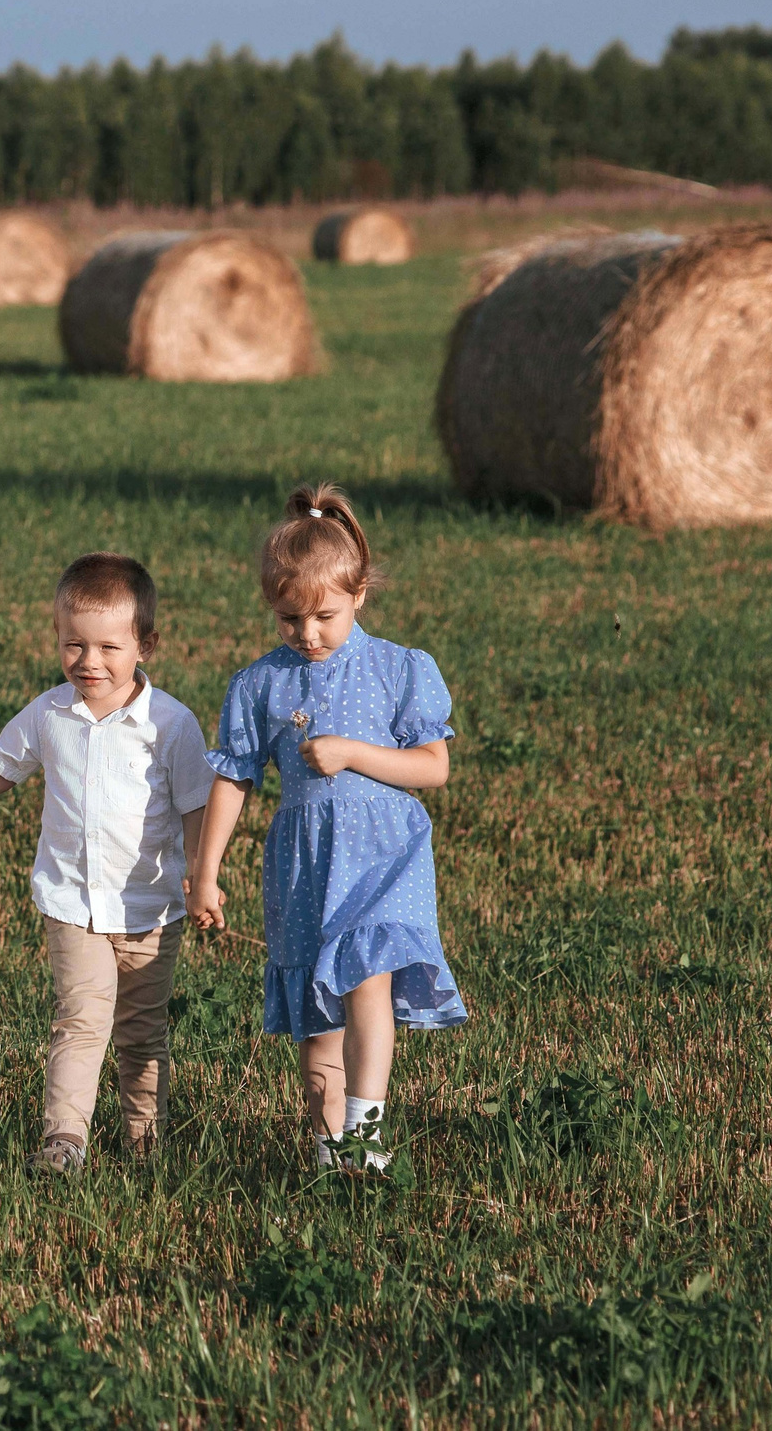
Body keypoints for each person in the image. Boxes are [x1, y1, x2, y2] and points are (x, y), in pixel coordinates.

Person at [0, 553, 214, 1173]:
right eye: (74, 644)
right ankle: (65, 1140)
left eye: (108, 647)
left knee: (143, 1030)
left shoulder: (171, 726)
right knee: (81, 1017)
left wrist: (202, 873)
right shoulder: (49, 714)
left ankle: (145, 1144)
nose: (88, 662)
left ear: (145, 644)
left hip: (150, 909)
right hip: (73, 903)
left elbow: (197, 803)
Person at [186, 485, 464, 1174]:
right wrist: (207, 870)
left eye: (325, 616)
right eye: (289, 619)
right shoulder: (258, 685)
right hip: (304, 859)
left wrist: (351, 752)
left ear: (360, 593)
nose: (307, 634)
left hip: (382, 853)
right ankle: (327, 1149)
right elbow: (234, 778)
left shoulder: (399, 666)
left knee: (366, 977)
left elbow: (434, 767)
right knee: (319, 1013)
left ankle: (366, 1137)